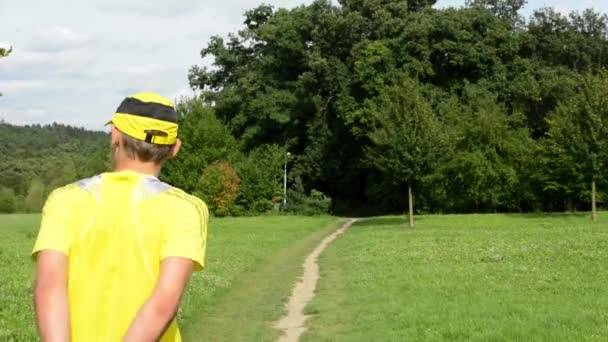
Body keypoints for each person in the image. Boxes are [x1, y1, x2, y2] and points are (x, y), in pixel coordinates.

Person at [31, 92, 208, 342]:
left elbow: (49, 289)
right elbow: (164, 302)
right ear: (174, 148)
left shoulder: (65, 199)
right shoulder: (186, 209)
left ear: (115, 135)